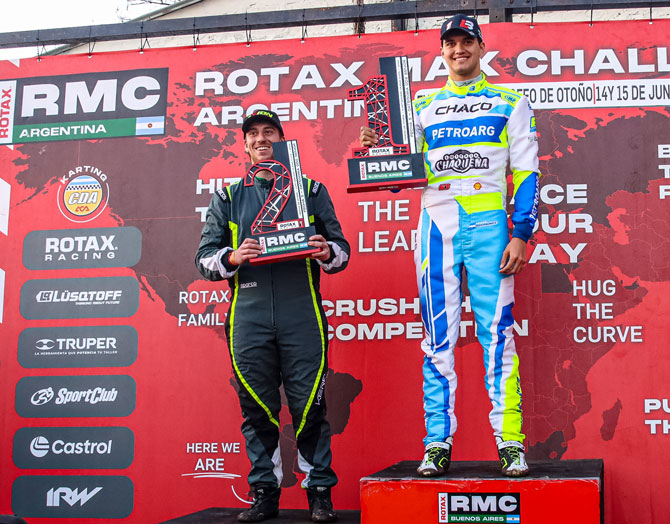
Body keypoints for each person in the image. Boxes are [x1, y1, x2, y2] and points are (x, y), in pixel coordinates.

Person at [360, 14, 540, 477]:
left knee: (497, 333)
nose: (459, 49)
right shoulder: (421, 105)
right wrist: (378, 150)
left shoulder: (511, 101)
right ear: (441, 51)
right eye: (450, 43)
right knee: (438, 338)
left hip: (490, 225)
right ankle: (437, 442)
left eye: (467, 41)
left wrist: (521, 233)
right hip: (436, 226)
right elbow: (398, 178)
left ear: (482, 47)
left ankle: (511, 441)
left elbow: (525, 173)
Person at [196, 109, 349, 523]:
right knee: (256, 409)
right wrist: (232, 256)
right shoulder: (227, 197)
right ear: (245, 145)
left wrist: (326, 251)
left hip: (303, 314)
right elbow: (204, 260)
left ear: (281, 141)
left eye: (269, 132)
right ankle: (264, 491)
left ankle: (319, 492)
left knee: (310, 406)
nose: (261, 139)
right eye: (253, 134)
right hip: (249, 316)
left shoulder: (311, 190)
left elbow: (341, 252)